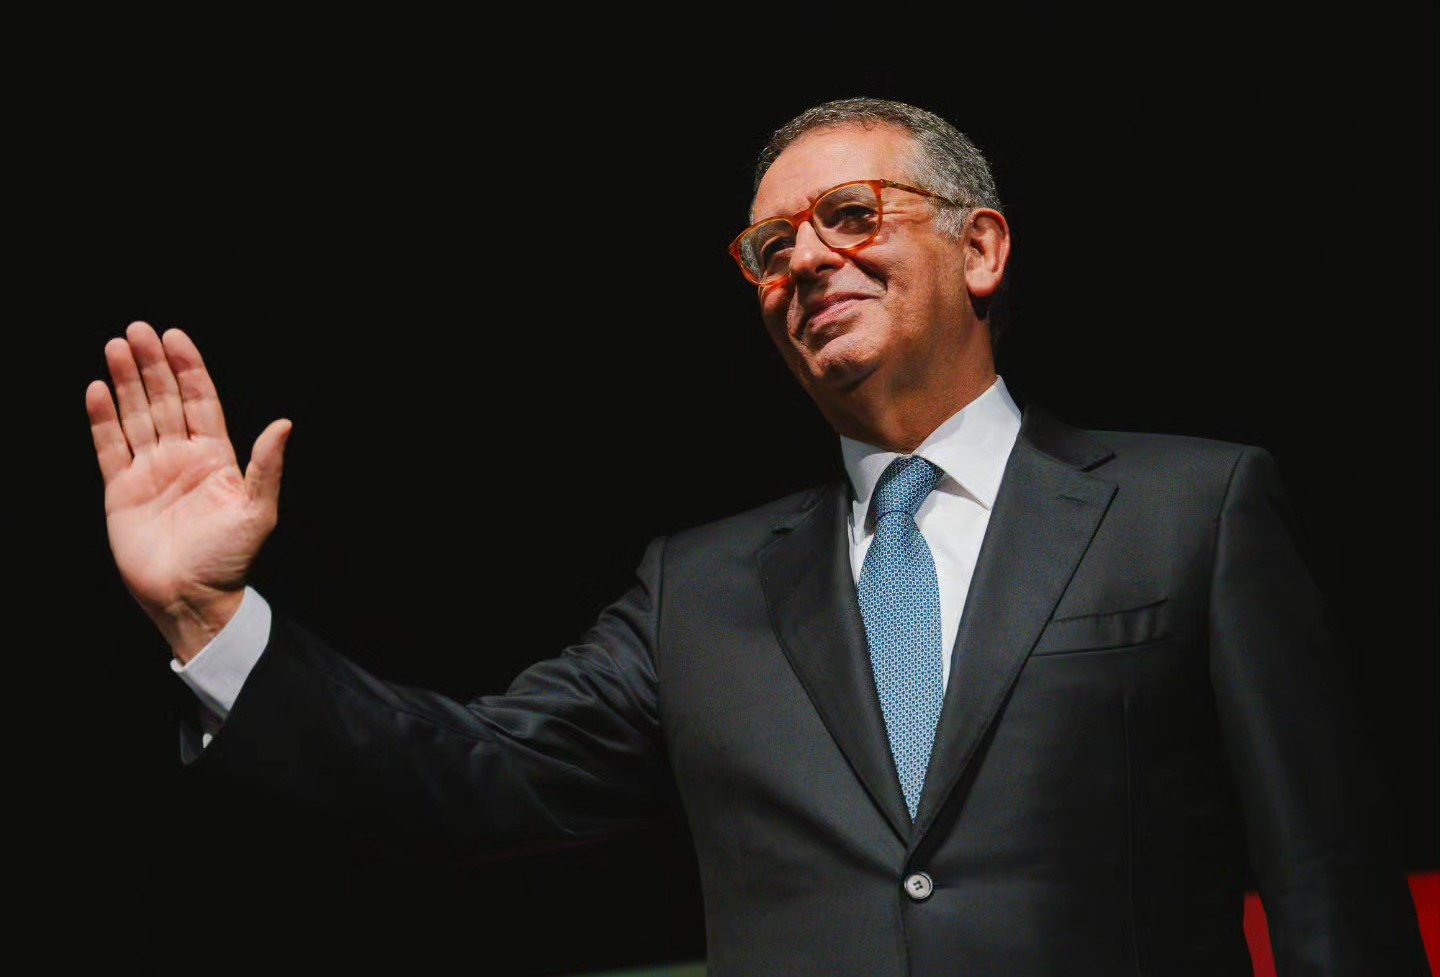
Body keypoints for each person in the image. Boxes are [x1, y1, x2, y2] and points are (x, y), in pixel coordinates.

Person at [86, 98, 1426, 975]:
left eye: (851, 216)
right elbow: (471, 775)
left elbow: (1328, 884)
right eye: (770, 247)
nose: (805, 262)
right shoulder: (701, 591)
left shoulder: (1194, 509)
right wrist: (211, 619)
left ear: (982, 248)